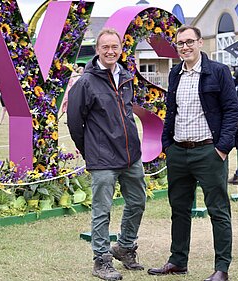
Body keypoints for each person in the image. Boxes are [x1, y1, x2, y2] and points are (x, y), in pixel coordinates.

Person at [148, 26, 238, 281]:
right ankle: (178, 261)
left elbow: (232, 111)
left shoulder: (219, 72)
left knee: (218, 211)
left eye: (189, 42)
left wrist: (221, 148)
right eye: (180, 43)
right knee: (179, 209)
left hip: (209, 152)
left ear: (200, 43)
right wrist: (167, 144)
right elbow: (171, 110)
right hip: (179, 151)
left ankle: (222, 268)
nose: (185, 47)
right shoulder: (176, 72)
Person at [67, 28, 146, 281]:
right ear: (98, 49)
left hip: (131, 155)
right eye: (105, 47)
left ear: (121, 49)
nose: (110, 51)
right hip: (102, 159)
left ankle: (125, 247)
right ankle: (101, 259)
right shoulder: (86, 82)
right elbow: (74, 122)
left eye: (115, 47)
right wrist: (90, 149)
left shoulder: (126, 76)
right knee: (102, 211)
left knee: (137, 203)